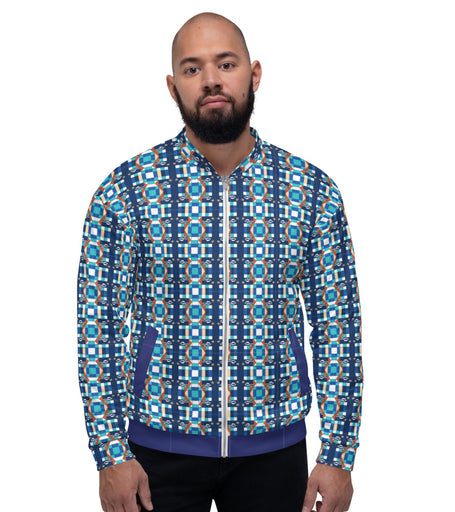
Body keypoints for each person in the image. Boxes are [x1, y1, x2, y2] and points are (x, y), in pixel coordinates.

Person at [77, 11, 363, 512]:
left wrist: (338, 454)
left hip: (275, 450)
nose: (211, 80)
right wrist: (110, 452)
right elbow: (97, 324)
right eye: (192, 69)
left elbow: (337, 324)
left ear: (254, 75)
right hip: (155, 453)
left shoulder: (310, 191)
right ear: (173, 87)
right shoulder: (126, 192)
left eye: (226, 64)